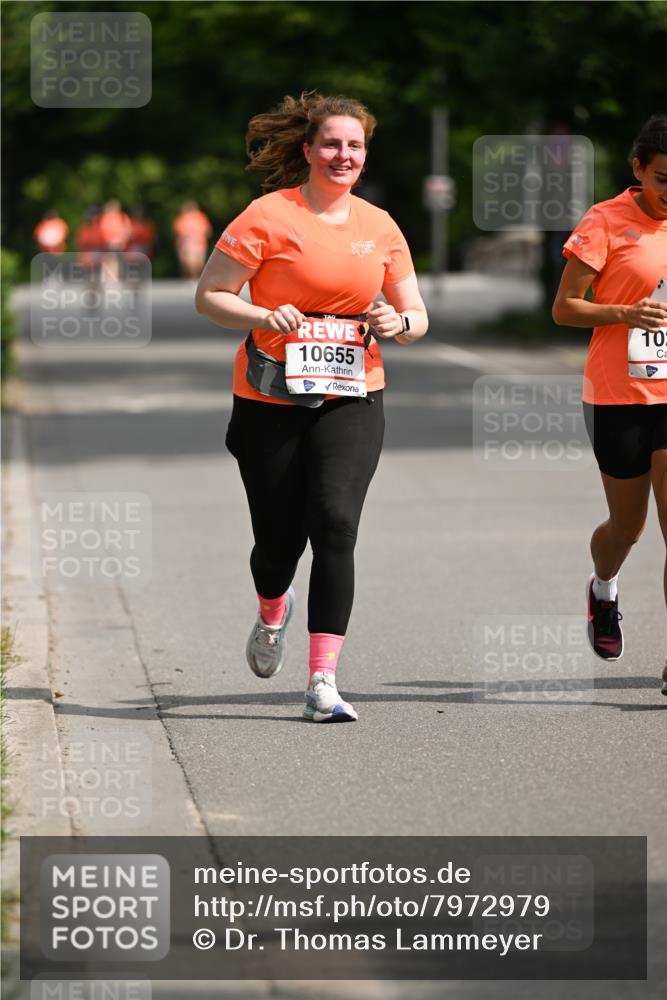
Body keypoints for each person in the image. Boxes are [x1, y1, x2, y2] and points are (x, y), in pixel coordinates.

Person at [195, 92, 428, 721]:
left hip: (353, 393)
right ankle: (274, 607)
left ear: (365, 155)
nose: (343, 155)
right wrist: (263, 312)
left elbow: (417, 317)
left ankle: (322, 680)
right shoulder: (267, 216)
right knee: (278, 543)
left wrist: (395, 317)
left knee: (335, 523)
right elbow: (210, 296)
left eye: (354, 146)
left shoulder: (380, 226)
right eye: (331, 144)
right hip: (269, 395)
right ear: (308, 151)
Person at [552, 114, 667, 695]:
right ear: (639, 170)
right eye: (664, 178)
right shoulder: (605, 221)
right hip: (619, 394)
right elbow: (565, 308)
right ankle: (603, 588)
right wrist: (625, 313)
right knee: (628, 527)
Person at [173, 200, 211, 279]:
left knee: (196, 263)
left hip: (198, 244)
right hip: (188, 244)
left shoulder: (200, 217)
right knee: (189, 263)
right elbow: (178, 233)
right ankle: (190, 278)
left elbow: (207, 231)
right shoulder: (183, 218)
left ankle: (196, 278)